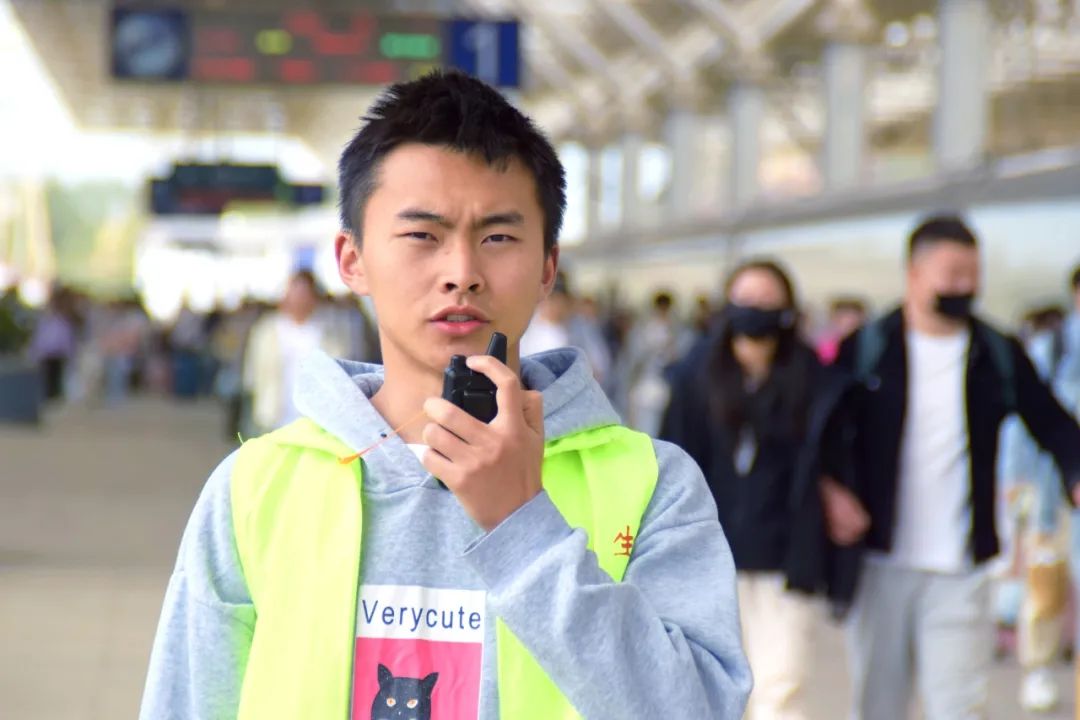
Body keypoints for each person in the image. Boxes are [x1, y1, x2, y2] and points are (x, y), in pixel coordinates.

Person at [140, 71, 751, 719]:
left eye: (498, 237)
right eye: (422, 236)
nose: (462, 273)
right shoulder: (254, 490)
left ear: (548, 267)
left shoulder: (653, 486)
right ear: (352, 260)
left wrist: (523, 527)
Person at [819, 216, 1080, 720]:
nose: (966, 287)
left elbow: (1053, 424)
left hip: (962, 567)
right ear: (914, 274)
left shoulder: (996, 353)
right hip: (879, 564)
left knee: (959, 708)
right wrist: (831, 491)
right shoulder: (868, 350)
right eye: (953, 274)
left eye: (974, 275)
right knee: (877, 706)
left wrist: (1074, 473)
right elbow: (819, 434)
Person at [662, 259, 831, 720]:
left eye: (767, 301)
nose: (755, 310)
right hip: (710, 559)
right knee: (711, 693)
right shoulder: (694, 376)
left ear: (789, 310)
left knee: (782, 686)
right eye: (745, 300)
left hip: (786, 561)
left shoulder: (814, 380)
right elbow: (672, 460)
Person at [240, 270, 350, 435]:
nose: (298, 299)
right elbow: (254, 371)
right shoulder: (268, 329)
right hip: (273, 414)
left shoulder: (328, 331)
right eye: (294, 293)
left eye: (304, 294)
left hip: (315, 418)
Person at [621, 291, 690, 436]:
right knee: (647, 429)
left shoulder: (678, 330)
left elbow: (681, 357)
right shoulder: (643, 330)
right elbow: (633, 361)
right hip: (646, 387)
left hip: (668, 386)